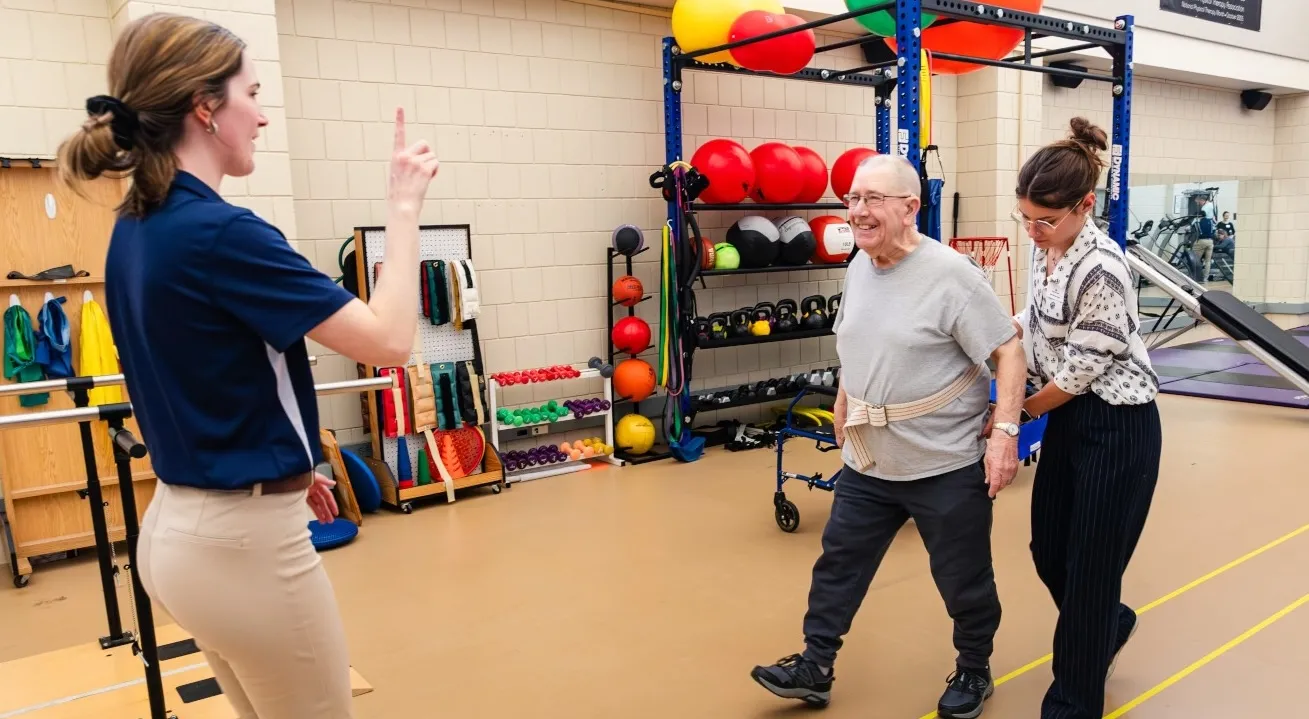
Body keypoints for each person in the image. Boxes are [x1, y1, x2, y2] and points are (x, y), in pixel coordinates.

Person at [56, 13, 439, 718]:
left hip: (182, 530)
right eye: (252, 94)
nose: (261, 117)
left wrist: (293, 468)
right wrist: (403, 205)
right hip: (240, 547)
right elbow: (388, 340)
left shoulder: (139, 225)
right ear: (206, 107)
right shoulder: (221, 233)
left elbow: (203, 375)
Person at [751, 154, 1028, 719]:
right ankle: (815, 665)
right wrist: (844, 397)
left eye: (872, 198)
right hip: (869, 459)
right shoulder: (858, 265)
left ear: (910, 206)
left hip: (944, 463)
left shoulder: (951, 276)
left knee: (963, 578)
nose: (857, 210)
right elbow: (854, 341)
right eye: (852, 198)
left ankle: (974, 668)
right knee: (838, 565)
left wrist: (1004, 433)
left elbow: (1009, 350)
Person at [1010, 117, 1163, 719]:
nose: (1033, 230)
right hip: (1071, 419)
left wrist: (1010, 416)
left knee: (1091, 570)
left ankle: (1073, 701)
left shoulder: (1102, 268)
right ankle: (1110, 622)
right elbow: (1030, 319)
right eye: (1026, 217)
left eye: (1045, 220)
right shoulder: (1046, 247)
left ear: (1085, 205)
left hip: (1118, 426)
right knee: (1049, 550)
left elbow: (1076, 373)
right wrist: (995, 344)